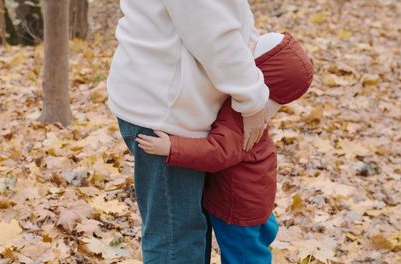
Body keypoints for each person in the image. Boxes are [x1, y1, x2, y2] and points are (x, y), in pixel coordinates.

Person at [107, 0, 285, 263]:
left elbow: (234, 19)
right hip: (166, 113)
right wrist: (253, 98)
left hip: (179, 107)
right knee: (175, 240)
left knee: (187, 230)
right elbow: (215, 35)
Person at [135, 32, 314, 263]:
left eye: (254, 49)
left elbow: (219, 151)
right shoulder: (252, 112)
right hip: (253, 201)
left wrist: (172, 148)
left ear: (261, 74)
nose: (246, 47)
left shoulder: (242, 118)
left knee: (244, 258)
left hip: (239, 209)